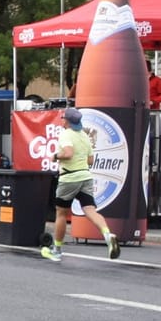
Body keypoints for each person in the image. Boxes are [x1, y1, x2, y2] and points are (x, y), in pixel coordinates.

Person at [38, 109, 121, 261]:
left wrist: (55, 156)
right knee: (90, 210)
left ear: (67, 121)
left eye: (63, 118)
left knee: (61, 213)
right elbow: (90, 161)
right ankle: (108, 235)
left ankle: (57, 250)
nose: (61, 120)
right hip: (86, 176)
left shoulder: (65, 134)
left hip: (69, 177)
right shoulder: (84, 136)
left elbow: (68, 153)